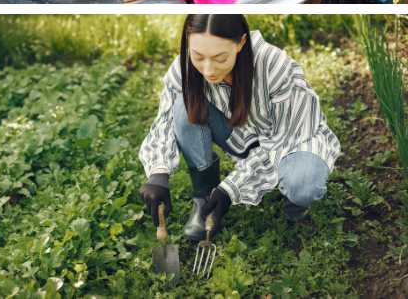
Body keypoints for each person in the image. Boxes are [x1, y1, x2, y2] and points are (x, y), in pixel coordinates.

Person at [138, 14, 341, 240]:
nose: (208, 69)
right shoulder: (185, 66)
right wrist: (158, 174)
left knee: (303, 184)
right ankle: (204, 199)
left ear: (241, 43)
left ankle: (295, 203)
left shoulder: (273, 65)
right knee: (184, 107)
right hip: (239, 135)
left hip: (292, 140)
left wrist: (228, 190)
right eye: (198, 56)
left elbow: (282, 142)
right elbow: (164, 120)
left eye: (219, 58)